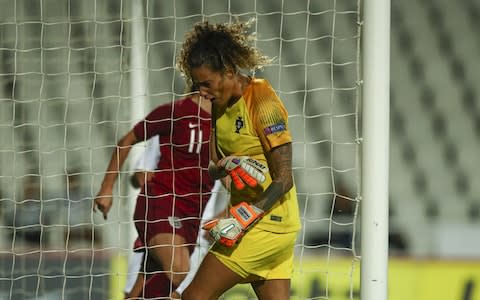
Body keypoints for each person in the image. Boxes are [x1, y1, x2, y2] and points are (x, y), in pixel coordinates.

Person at [176, 19, 301, 300]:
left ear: (229, 71)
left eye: (207, 84)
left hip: (265, 224)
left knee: (193, 297)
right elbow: (210, 169)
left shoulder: (263, 102)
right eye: (198, 85)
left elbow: (284, 179)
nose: (202, 92)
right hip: (261, 225)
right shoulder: (216, 107)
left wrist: (243, 218)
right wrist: (225, 166)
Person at [93, 90, 214, 299]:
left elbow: (229, 176)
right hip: (163, 209)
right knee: (178, 269)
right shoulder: (174, 115)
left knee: (160, 291)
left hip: (195, 220)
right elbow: (136, 161)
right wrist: (108, 187)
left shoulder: (225, 125)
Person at [123, 136, 229, 299]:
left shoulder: (219, 139)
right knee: (134, 294)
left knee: (172, 294)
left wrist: (224, 215)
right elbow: (139, 176)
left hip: (195, 237)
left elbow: (236, 186)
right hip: (159, 228)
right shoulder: (168, 129)